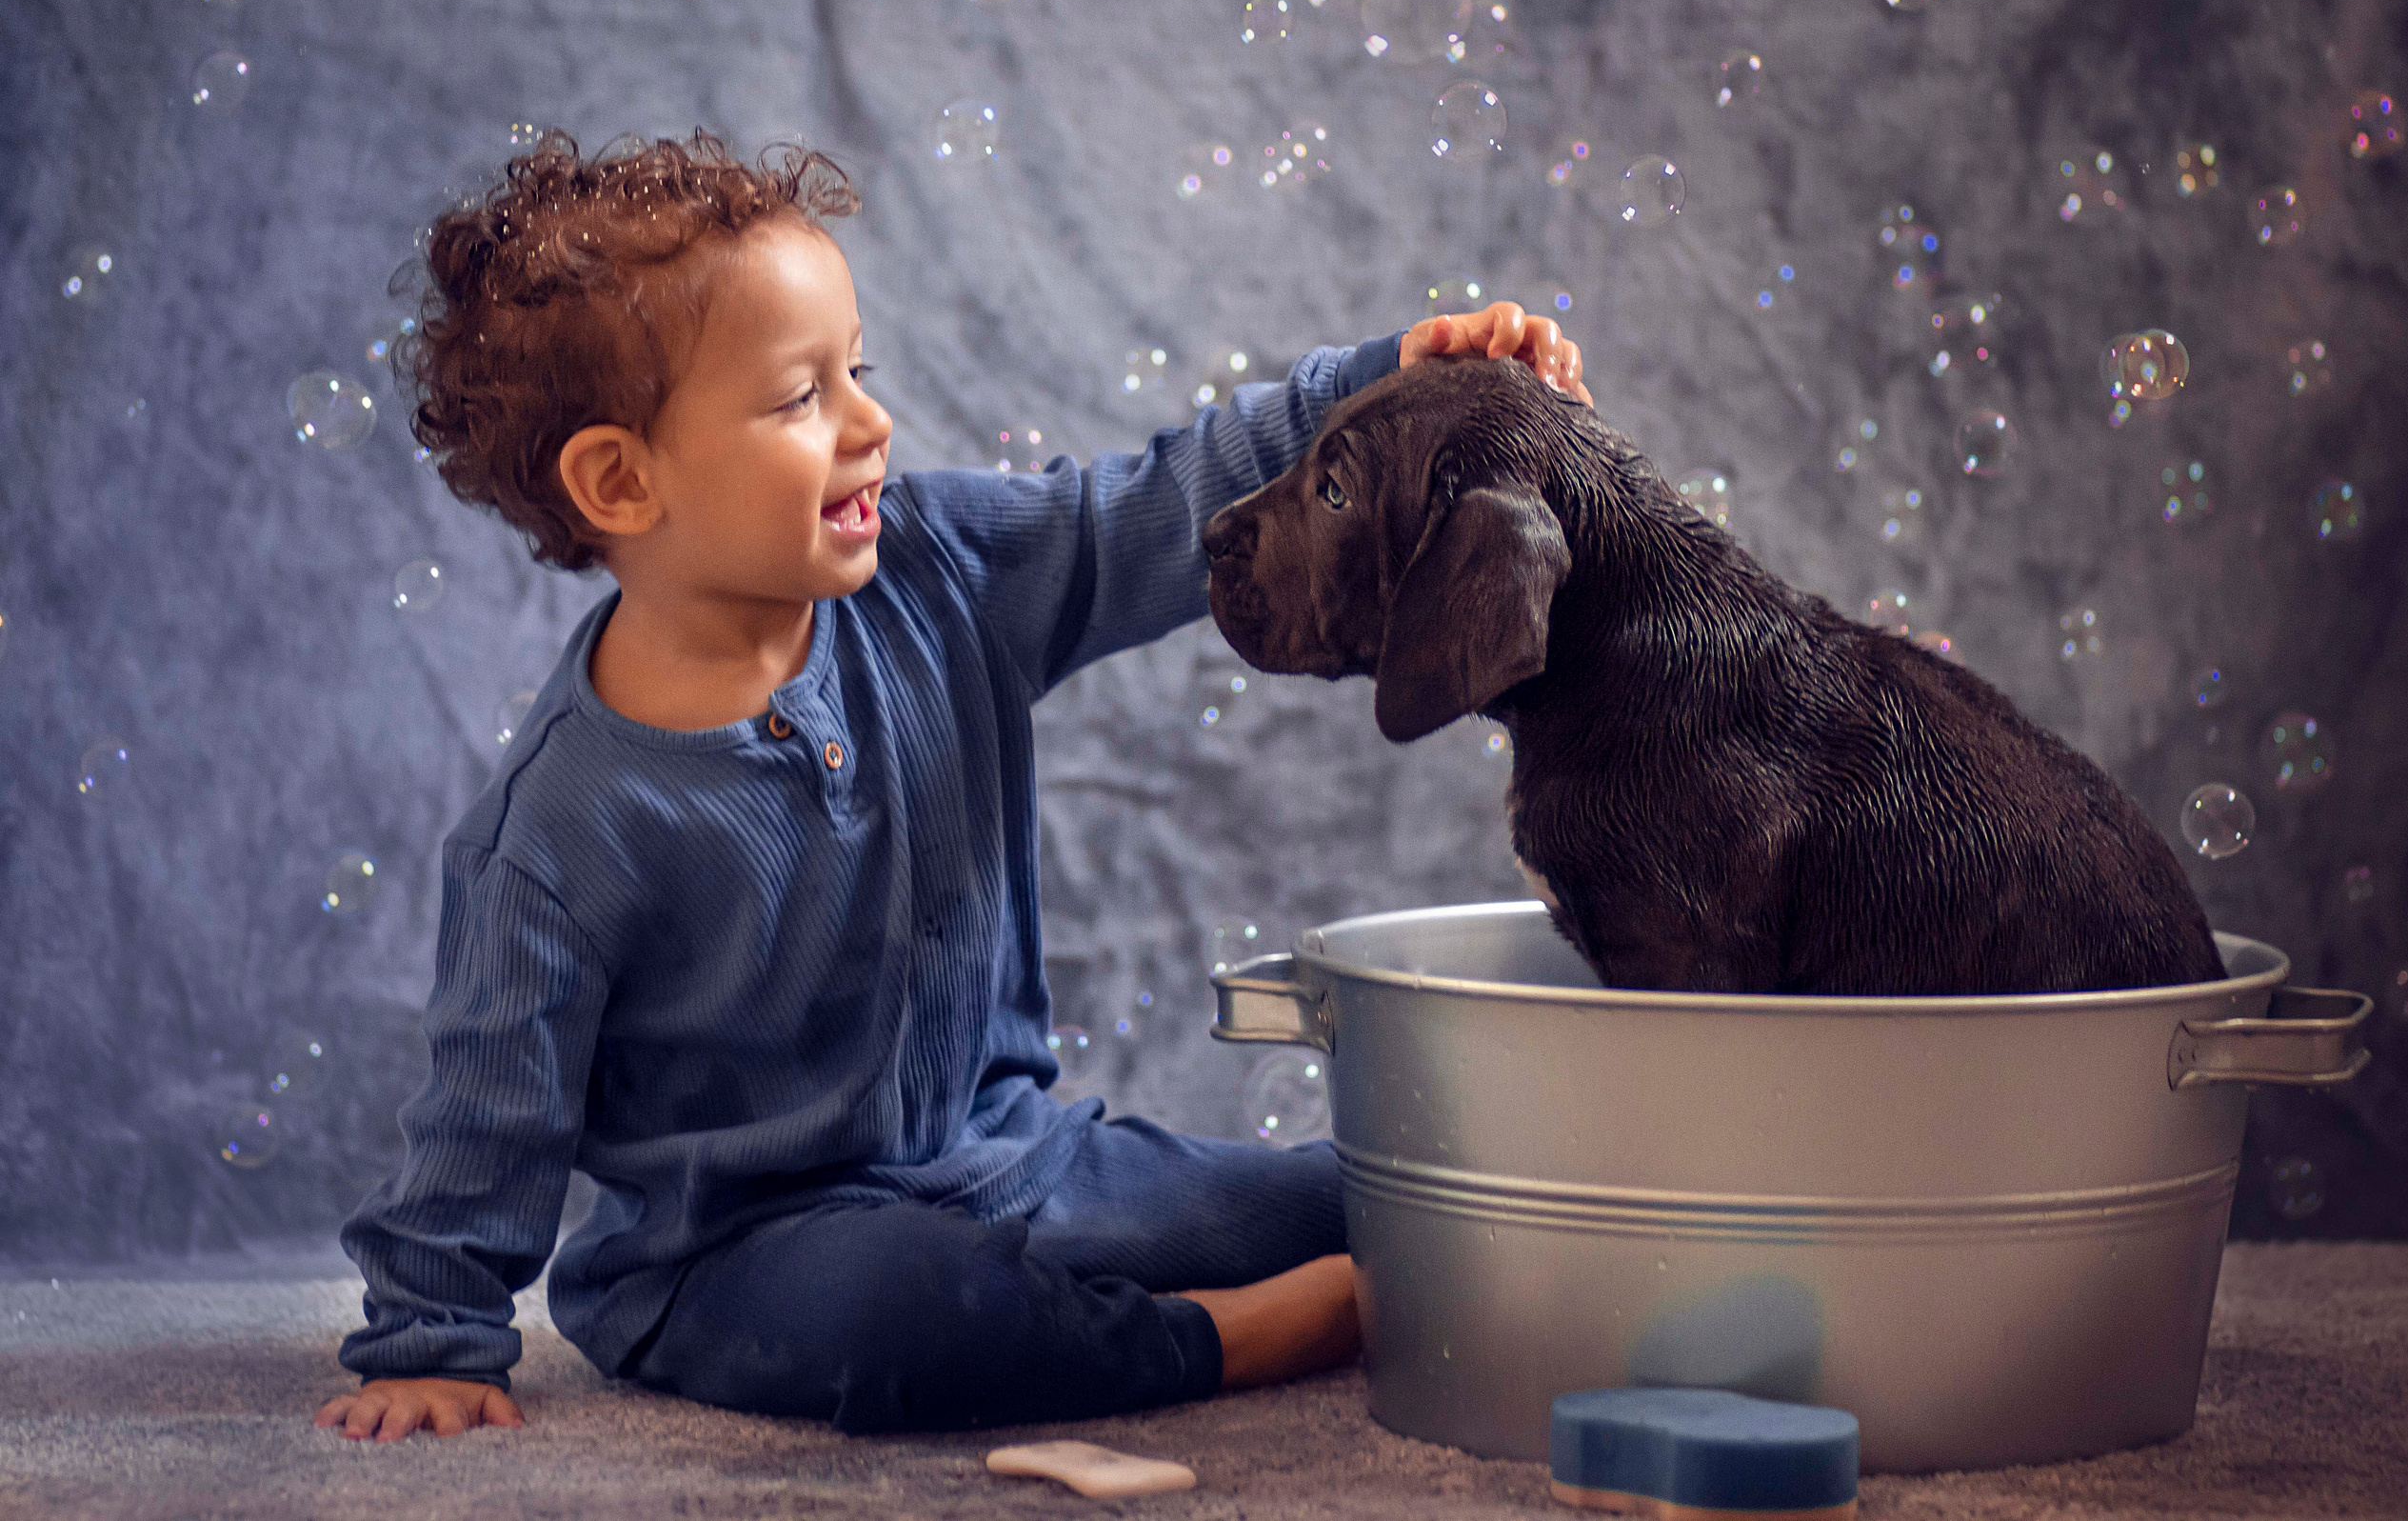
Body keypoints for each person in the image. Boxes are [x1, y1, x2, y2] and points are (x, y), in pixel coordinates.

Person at [312, 129, 1588, 1443]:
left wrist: (1377, 387)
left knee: (1371, 1194)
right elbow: (489, 1104)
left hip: (1025, 1165)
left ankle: (1288, 1267)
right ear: (621, 480)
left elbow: (1144, 510)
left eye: (854, 370)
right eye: (799, 398)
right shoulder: (562, 827)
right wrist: (435, 1338)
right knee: (906, 1321)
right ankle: (1226, 1338)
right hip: (746, 1255)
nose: (870, 421)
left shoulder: (941, 575)